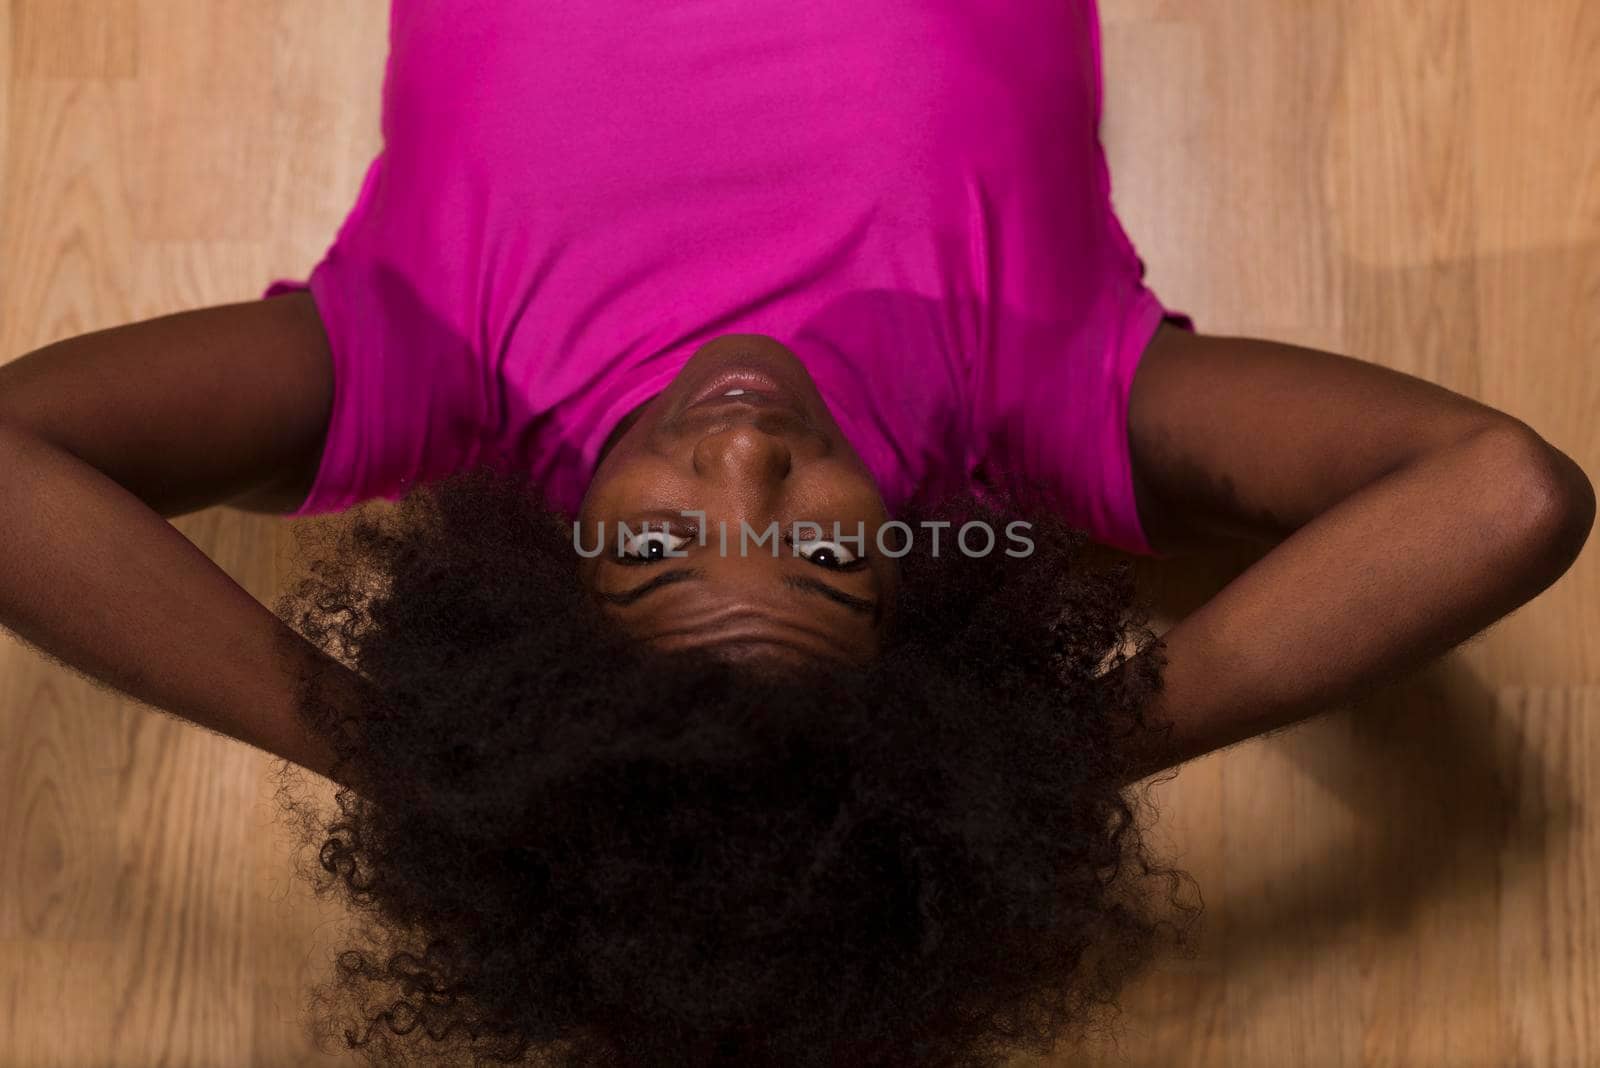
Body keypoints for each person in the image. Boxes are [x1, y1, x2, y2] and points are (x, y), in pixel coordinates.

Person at [0, 2, 1591, 1065]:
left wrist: (406, 762)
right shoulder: (1023, 400)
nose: (748, 457)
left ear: (547, 601)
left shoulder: (436, 369)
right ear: (931, 621)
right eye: (829, 557)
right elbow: (1507, 491)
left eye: (655, 549)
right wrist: (1050, 768)